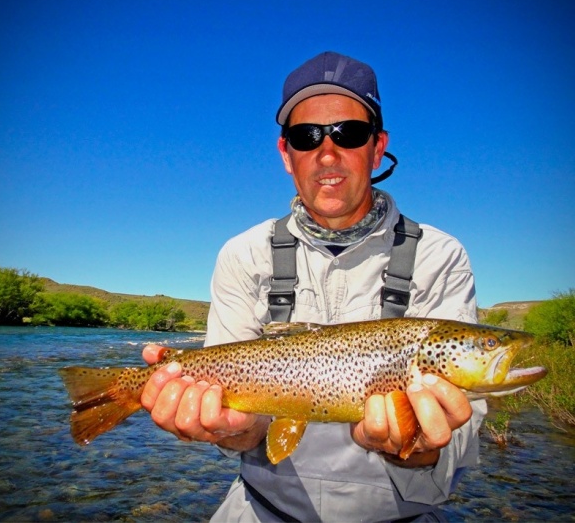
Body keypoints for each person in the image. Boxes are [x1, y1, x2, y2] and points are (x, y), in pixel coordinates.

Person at [140, 51, 485, 522]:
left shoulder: (440, 256)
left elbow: (463, 432)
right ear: (286, 154)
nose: (327, 152)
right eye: (307, 136)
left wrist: (422, 448)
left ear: (378, 147)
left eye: (349, 133)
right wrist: (230, 429)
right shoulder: (243, 254)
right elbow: (241, 429)